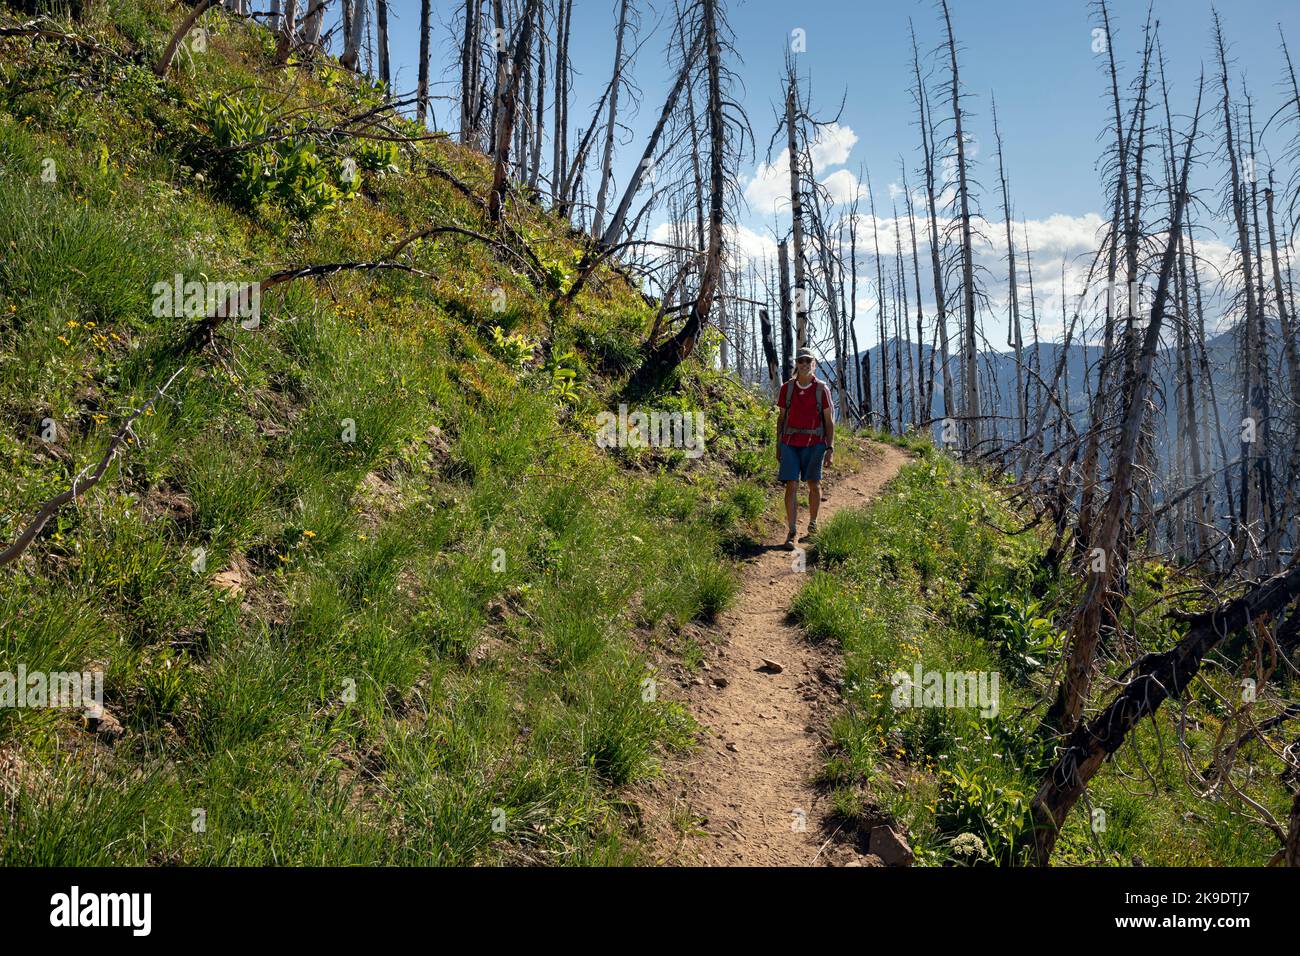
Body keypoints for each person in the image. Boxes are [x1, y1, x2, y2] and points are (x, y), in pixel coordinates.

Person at [775, 347, 835, 549]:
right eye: (801, 361)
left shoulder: (821, 389)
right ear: (796, 364)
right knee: (791, 485)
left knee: (813, 484)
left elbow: (829, 421)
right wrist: (778, 444)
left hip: (815, 444)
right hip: (790, 443)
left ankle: (813, 526)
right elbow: (781, 418)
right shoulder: (787, 389)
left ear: (814, 364)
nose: (804, 364)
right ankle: (791, 532)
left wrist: (830, 448)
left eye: (808, 361)